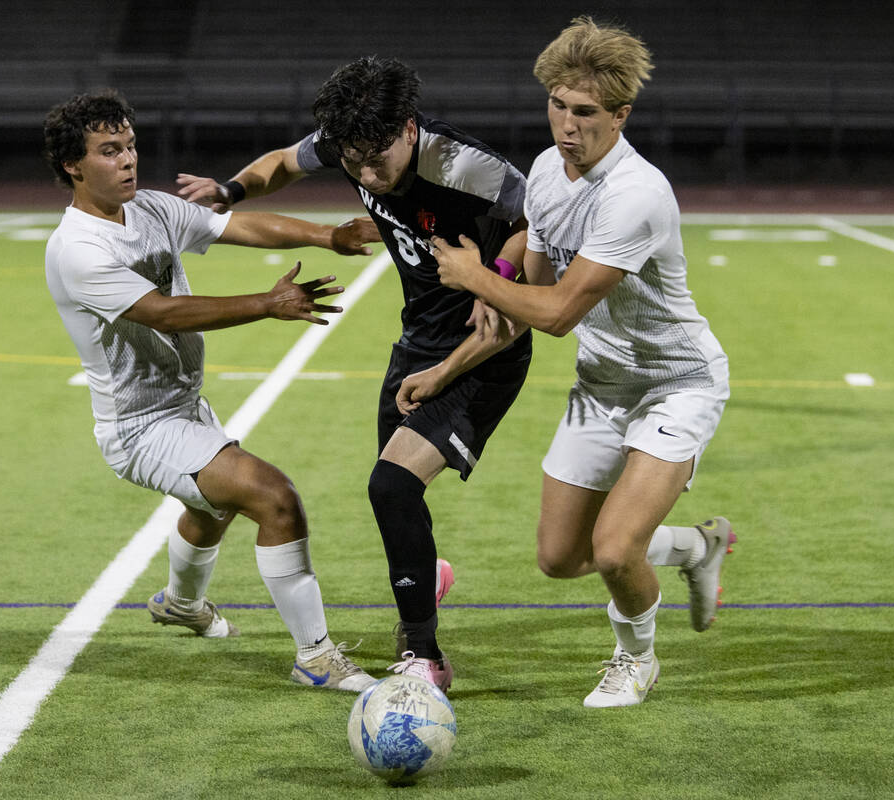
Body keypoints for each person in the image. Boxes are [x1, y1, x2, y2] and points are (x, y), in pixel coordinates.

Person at [177, 56, 533, 692]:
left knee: (391, 485)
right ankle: (428, 584)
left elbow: (534, 221)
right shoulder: (348, 144)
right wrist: (229, 191)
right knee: (395, 497)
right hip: (417, 338)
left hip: (486, 346)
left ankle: (425, 657)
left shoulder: (465, 166)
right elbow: (284, 162)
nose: (367, 174)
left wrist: (497, 281)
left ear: (408, 128)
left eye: (378, 158)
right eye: (352, 161)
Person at [430, 17, 736, 707]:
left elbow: (560, 314)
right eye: (557, 106)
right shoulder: (544, 170)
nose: (567, 125)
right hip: (600, 385)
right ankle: (693, 549)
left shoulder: (636, 194)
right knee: (560, 557)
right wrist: (447, 368)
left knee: (614, 549)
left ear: (621, 115)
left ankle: (636, 661)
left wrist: (477, 275)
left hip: (675, 385)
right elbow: (532, 294)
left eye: (586, 112)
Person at [43, 89, 382, 691]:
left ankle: (179, 603)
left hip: (181, 406)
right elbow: (164, 313)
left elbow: (237, 225)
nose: (127, 161)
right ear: (74, 164)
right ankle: (315, 656)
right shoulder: (77, 249)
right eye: (108, 151)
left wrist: (327, 236)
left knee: (213, 506)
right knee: (273, 497)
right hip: (138, 427)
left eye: (130, 147)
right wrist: (267, 303)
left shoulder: (148, 207)